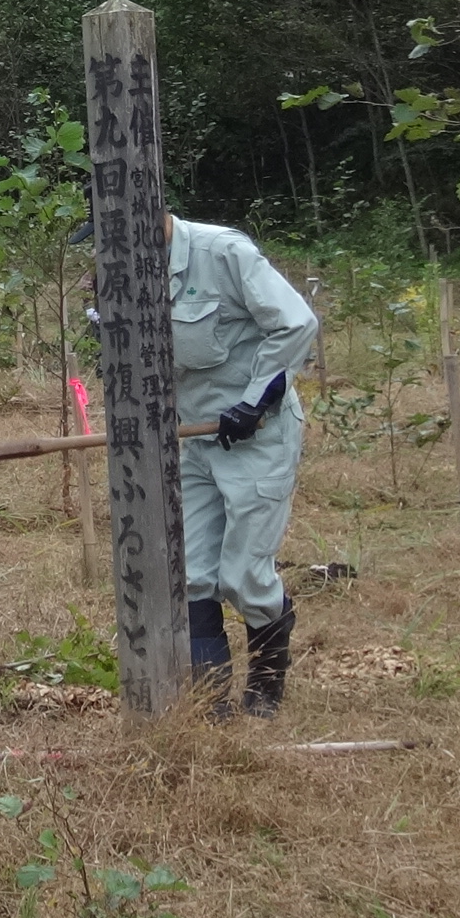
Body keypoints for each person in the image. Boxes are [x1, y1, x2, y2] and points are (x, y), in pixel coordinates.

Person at [168, 211, 319, 719]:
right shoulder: (129, 273)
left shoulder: (223, 253)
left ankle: (267, 684)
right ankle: (209, 702)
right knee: (190, 572)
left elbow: (296, 323)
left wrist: (255, 402)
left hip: (257, 437)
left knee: (242, 576)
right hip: (196, 438)